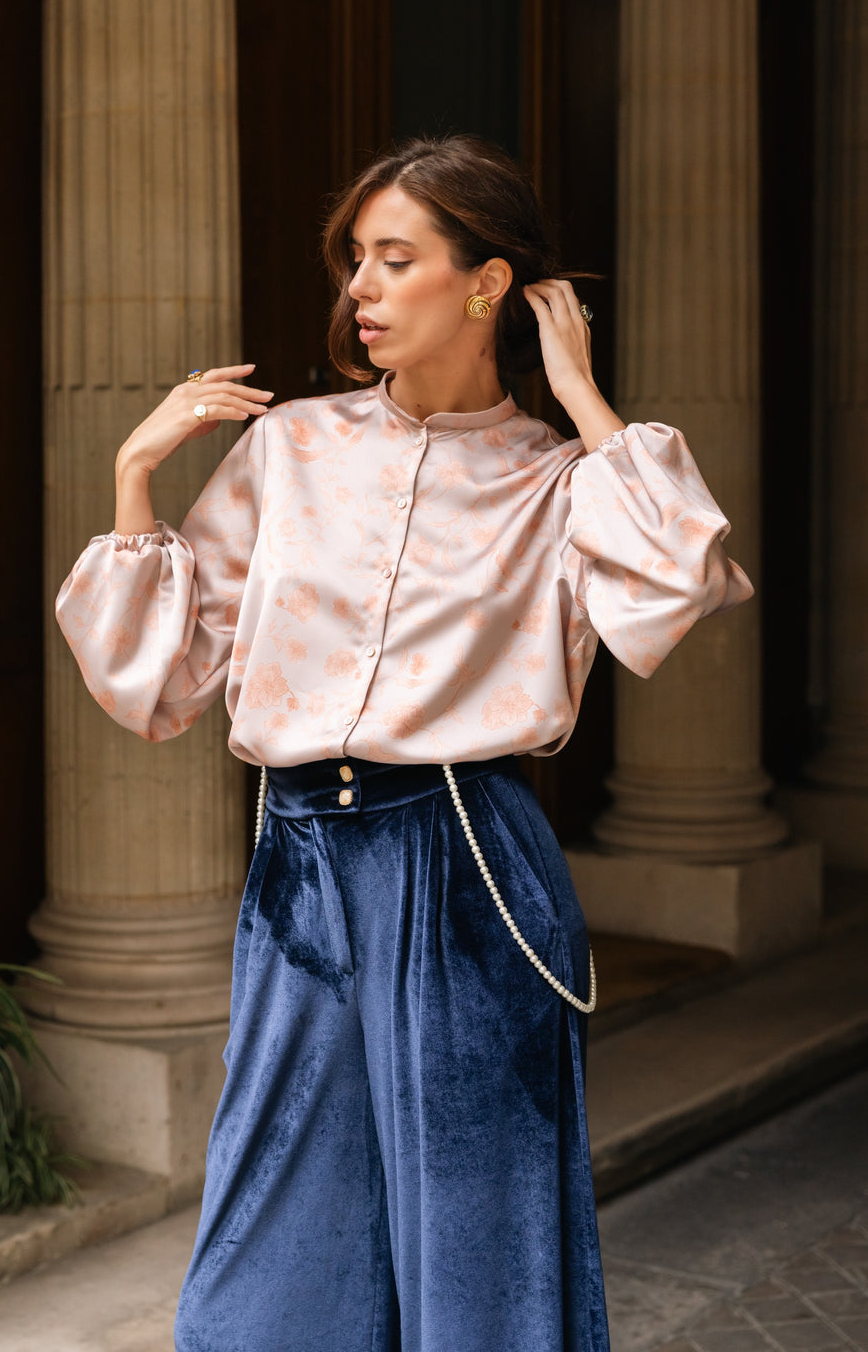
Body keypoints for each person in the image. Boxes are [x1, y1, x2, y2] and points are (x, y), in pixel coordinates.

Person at [56, 134, 753, 1352]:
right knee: (277, 1214)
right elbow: (159, 681)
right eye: (352, 264)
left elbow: (674, 581)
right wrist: (132, 477)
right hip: (298, 862)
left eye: (393, 259)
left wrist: (584, 398)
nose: (359, 291)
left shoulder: (554, 480)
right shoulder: (291, 448)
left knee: (476, 1222)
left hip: (464, 859)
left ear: (486, 283)